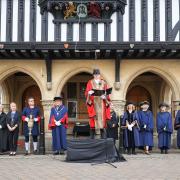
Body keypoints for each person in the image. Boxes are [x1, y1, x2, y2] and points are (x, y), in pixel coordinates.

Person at [85, 69, 111, 139]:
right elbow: (87, 92)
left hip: (102, 103)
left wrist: (104, 97)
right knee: (93, 120)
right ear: (93, 75)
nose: (96, 76)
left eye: (98, 74)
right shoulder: (90, 82)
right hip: (93, 103)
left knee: (102, 121)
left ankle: (103, 138)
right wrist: (89, 93)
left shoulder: (104, 82)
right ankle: (92, 137)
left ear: (100, 75)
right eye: (95, 74)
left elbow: (107, 93)